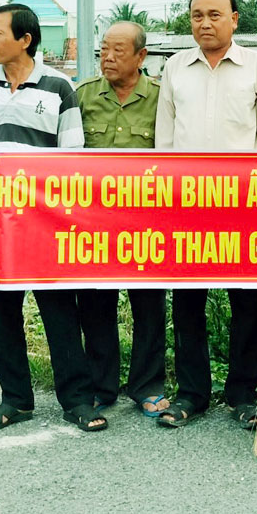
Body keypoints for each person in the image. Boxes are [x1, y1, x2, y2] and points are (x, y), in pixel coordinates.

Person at [0, 3, 106, 432]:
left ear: (25, 39)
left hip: (44, 223)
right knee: (2, 314)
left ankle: (76, 400)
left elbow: (73, 158)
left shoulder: (58, 87)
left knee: (59, 311)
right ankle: (14, 400)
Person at [154, 0, 257, 429]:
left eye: (214, 15)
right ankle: (192, 393)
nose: (204, 24)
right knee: (187, 302)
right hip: (186, 204)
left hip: (244, 205)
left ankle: (243, 394)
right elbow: (164, 141)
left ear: (234, 20)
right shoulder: (174, 67)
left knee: (246, 302)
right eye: (196, 16)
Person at [74, 21, 170, 418]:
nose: (108, 59)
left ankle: (147, 386)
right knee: (96, 307)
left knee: (149, 306)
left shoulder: (164, 99)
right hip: (95, 224)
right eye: (103, 51)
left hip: (147, 223)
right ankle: (102, 386)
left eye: (118, 51)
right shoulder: (81, 97)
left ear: (141, 56)